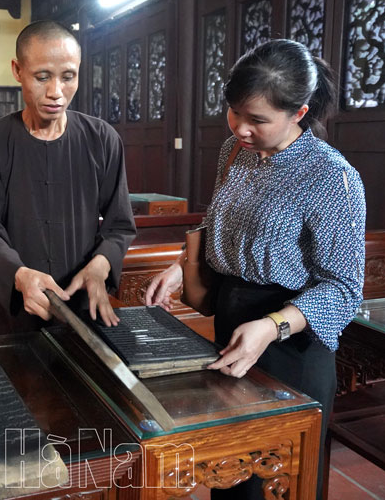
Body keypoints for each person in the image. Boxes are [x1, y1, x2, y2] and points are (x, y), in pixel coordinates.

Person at [144, 39, 366, 500]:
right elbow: (217, 220)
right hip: (234, 319)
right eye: (234, 112)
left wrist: (271, 326)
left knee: (276, 483)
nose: (241, 128)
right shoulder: (235, 150)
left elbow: (344, 289)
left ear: (299, 113)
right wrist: (180, 266)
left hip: (290, 340)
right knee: (230, 472)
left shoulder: (331, 177)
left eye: (258, 120)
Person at [0, 20, 136, 335]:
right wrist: (20, 275)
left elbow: (119, 225)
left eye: (68, 77)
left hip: (84, 307)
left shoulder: (102, 139)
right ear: (18, 70)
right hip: (14, 312)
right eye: (42, 77)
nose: (56, 92)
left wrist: (100, 265)